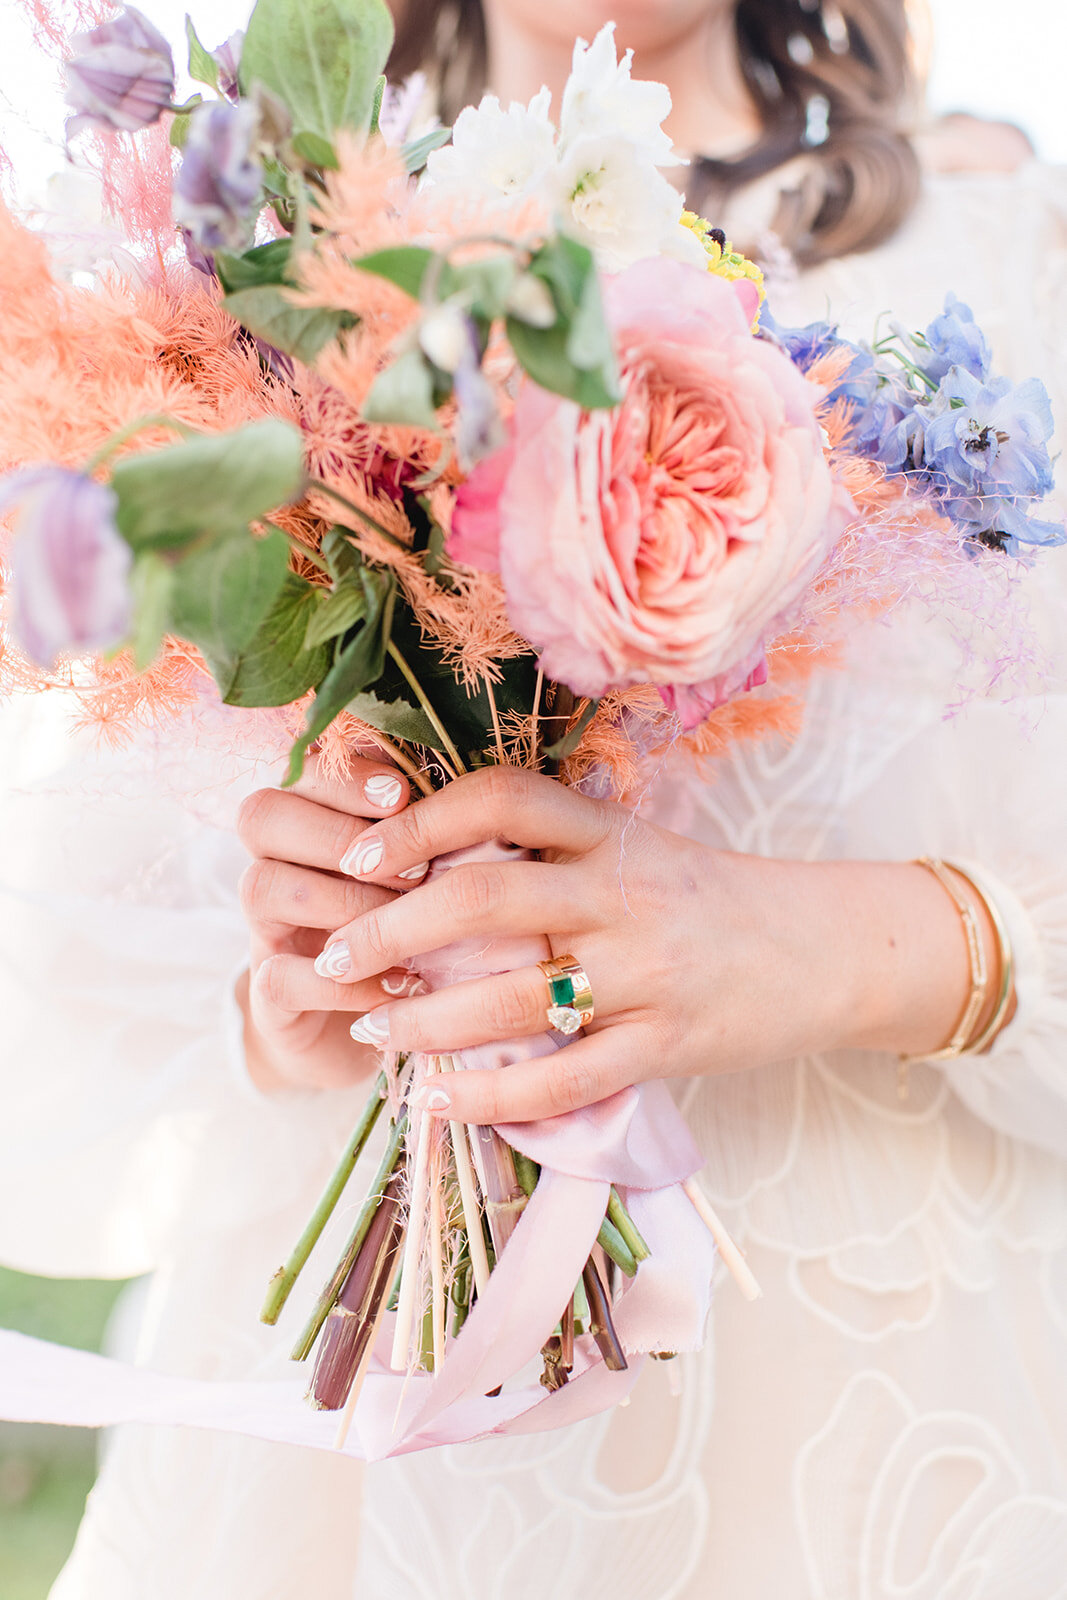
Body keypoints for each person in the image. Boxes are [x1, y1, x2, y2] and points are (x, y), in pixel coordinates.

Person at [2, 1, 1067, 1595]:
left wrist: (841, 947)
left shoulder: (1006, 241)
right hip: (367, 1475)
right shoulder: (259, 270)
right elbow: (90, 955)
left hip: (859, 1432)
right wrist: (293, 978)